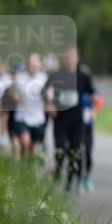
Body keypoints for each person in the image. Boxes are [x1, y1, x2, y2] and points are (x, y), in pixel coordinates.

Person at [44, 47, 96, 194]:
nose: (70, 59)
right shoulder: (56, 75)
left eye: (72, 56)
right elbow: (44, 90)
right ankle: (58, 172)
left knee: (75, 152)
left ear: (78, 58)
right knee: (60, 149)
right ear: (64, 59)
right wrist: (49, 104)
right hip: (60, 120)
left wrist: (92, 110)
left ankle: (69, 183)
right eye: (67, 56)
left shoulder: (83, 76)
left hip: (77, 122)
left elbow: (93, 94)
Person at [13, 54, 48, 160]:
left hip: (38, 118)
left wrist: (49, 99)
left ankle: (27, 168)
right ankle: (24, 167)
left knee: (32, 148)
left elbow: (50, 94)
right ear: (27, 65)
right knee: (25, 142)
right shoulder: (20, 77)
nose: (33, 67)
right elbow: (11, 91)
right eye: (31, 64)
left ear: (39, 65)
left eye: (35, 64)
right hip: (22, 116)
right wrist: (14, 95)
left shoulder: (44, 78)